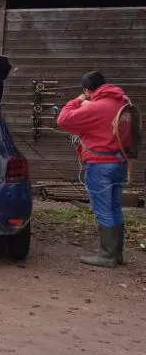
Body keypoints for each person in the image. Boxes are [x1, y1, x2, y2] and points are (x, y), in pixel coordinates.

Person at [56, 71, 130, 268]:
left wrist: (78, 99)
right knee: (115, 207)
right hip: (119, 162)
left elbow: (63, 119)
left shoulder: (96, 107)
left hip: (100, 164)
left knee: (103, 209)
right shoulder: (122, 102)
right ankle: (117, 253)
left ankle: (106, 256)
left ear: (88, 90)